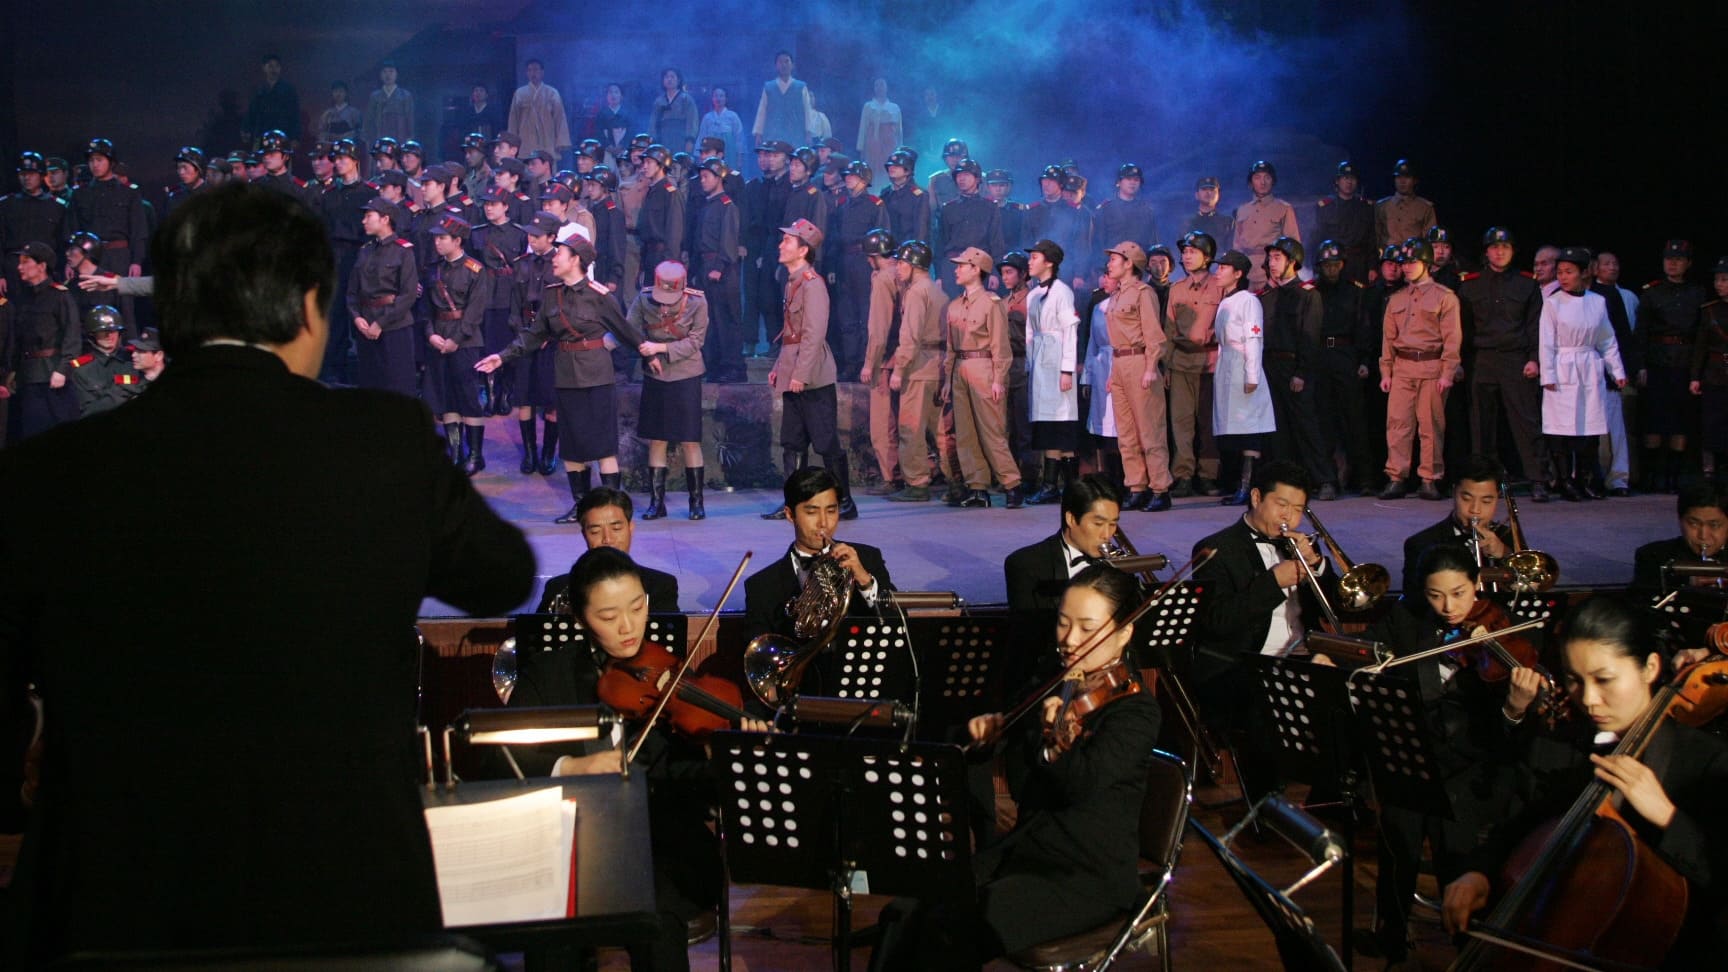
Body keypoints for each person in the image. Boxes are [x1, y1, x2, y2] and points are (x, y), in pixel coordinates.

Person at [0, 182, 534, 966]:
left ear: (169, 312)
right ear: (310, 307)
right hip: (343, 898)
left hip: (111, 904)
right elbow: (502, 574)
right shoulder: (382, 441)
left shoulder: (44, 472)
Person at [868, 566, 1160, 970]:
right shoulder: (1054, 681)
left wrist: (1056, 742)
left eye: (1087, 628)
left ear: (1124, 633)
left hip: (1084, 875)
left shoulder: (1136, 712)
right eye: (1063, 623)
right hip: (1025, 851)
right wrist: (985, 734)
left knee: (951, 929)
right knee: (903, 911)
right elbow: (1004, 744)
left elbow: (1079, 785)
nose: (1069, 639)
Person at [1440, 597, 1728, 970]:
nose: (1589, 700)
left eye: (1604, 679)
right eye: (1574, 680)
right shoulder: (1562, 745)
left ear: (1650, 668)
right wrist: (1478, 871)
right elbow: (1517, 826)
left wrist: (1667, 817)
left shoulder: (1708, 761)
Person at [510, 547, 761, 972]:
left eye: (637, 607)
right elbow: (501, 761)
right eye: (608, 616)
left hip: (657, 844)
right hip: (567, 842)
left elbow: (699, 790)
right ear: (580, 619)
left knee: (657, 918)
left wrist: (725, 756)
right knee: (553, 933)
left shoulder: (673, 676)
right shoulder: (548, 674)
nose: (628, 627)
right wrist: (570, 767)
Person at [1358, 543, 1536, 968]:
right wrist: (1343, 660)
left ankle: (1466, 952)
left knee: (1456, 862)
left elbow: (1512, 738)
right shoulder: (1405, 618)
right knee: (1398, 849)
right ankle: (1392, 938)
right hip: (1413, 754)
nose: (1449, 607)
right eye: (1436, 595)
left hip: (1469, 769)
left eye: (1459, 593)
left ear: (1477, 584)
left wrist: (1514, 708)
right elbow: (1365, 654)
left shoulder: (1503, 629)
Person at [1190, 459, 1337, 800]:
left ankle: (1330, 801)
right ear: (1256, 497)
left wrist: (1318, 566)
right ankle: (1266, 804)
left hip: (1301, 656)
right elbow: (1218, 621)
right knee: (1263, 703)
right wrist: (1272, 583)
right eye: (1282, 505)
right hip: (1241, 664)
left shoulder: (1300, 545)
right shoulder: (1216, 548)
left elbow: (1337, 607)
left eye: (1298, 509)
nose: (1290, 517)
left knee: (1354, 693)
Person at [477, 231, 647, 523]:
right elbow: (534, 335)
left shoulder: (599, 297)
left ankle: (613, 509)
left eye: (560, 254)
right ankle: (581, 507)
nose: (554, 258)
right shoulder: (552, 294)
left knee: (603, 447)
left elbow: (627, 332)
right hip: (566, 377)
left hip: (596, 377)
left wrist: (651, 356)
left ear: (576, 260)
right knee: (572, 447)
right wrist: (502, 357)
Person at [743, 466, 894, 695]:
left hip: (862, 691)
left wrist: (864, 580)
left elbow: (897, 623)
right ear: (790, 514)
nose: (824, 523)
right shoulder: (762, 586)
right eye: (812, 512)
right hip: (800, 697)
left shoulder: (868, 559)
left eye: (831, 511)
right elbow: (759, 662)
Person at [764, 219, 856, 520]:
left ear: (803, 250)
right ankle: (795, 503)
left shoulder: (812, 284)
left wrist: (800, 374)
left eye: (788, 241)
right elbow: (790, 332)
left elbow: (814, 334)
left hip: (813, 375)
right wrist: (780, 366)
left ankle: (844, 501)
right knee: (792, 441)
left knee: (825, 440)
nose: (781, 245)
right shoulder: (792, 281)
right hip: (794, 369)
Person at [1456, 226, 1549, 500]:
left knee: (1526, 421)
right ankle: (1484, 481)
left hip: (1515, 358)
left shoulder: (1527, 283)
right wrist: (1460, 362)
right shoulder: (1470, 284)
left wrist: (1534, 359)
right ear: (1486, 252)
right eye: (1495, 247)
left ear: (1513, 251)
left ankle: (1538, 479)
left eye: (1505, 247)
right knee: (1481, 424)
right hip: (1482, 358)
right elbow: (1462, 329)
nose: (1500, 252)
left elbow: (1535, 327)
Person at [1541, 246, 1627, 501]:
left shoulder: (1596, 302)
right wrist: (1548, 375)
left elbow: (1607, 339)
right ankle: (1564, 480)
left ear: (1583, 273)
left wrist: (1616, 370)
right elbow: (1546, 342)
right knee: (1562, 427)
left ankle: (1585, 478)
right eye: (1560, 272)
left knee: (1590, 426)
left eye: (1569, 272)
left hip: (1589, 367)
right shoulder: (1553, 303)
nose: (1563, 277)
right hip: (1563, 366)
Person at [1379, 237, 1462, 501]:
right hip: (1402, 368)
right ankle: (1396, 477)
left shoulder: (1444, 297)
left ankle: (1430, 478)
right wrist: (1386, 372)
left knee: (1430, 426)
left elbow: (1452, 338)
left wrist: (1448, 372)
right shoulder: (1396, 299)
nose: (1406, 267)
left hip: (1431, 367)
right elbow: (1388, 339)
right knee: (1397, 424)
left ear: (1425, 263)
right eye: (1404, 262)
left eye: (1412, 262)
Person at [944, 247, 1024, 509]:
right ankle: (977, 487)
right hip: (961, 368)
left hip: (984, 366)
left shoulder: (992, 303)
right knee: (966, 432)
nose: (956, 270)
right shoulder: (954, 305)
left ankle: (1012, 484)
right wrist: (947, 380)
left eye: (962, 265)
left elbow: (1001, 345)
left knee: (992, 430)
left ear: (976, 269)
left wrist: (999, 378)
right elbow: (950, 347)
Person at [629, 262, 710, 521]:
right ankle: (657, 502)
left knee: (690, 438)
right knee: (657, 438)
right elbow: (631, 330)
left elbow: (696, 341)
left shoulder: (697, 302)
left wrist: (661, 348)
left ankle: (696, 502)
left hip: (686, 374)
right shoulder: (643, 299)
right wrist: (647, 354)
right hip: (656, 375)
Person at [1258, 237, 1337, 499]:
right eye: (1270, 258)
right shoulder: (1267, 296)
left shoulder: (1307, 294)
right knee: (1277, 430)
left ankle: (1325, 479)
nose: (1271, 263)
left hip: (1295, 366)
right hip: (1270, 366)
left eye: (1277, 258)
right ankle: (1284, 483)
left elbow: (1310, 337)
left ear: (1292, 262)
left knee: (1307, 426)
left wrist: (1301, 372)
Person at [1102, 241, 1173, 512]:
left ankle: (1160, 488)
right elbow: (1115, 339)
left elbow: (1154, 334)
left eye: (1114, 259)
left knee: (1149, 430)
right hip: (1120, 362)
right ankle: (1136, 486)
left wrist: (1151, 367)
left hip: (1139, 361)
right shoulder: (1116, 295)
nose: (1109, 264)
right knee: (1126, 433)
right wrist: (1112, 373)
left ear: (1129, 263)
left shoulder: (1144, 293)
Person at [535, 488, 681, 613]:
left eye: (616, 528)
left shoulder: (660, 586)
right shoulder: (558, 588)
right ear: (584, 535)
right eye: (595, 531)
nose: (608, 539)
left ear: (630, 528)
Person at [423, 215, 493, 474]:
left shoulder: (475, 269)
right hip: (438, 336)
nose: (437, 242)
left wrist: (456, 339)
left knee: (468, 396)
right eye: (436, 238)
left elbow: (475, 312)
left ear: (457, 240)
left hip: (465, 340)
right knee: (445, 395)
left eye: (442, 238)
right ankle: (455, 453)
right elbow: (426, 308)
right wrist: (431, 334)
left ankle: (475, 454)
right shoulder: (433, 269)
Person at [1639, 240, 1709, 492]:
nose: (1672, 264)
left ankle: (1673, 477)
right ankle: (1651, 477)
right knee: (1654, 421)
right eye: (1669, 259)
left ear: (1688, 263)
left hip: (1684, 363)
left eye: (1678, 260)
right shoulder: (1652, 293)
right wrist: (1641, 366)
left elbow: (1702, 334)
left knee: (1680, 422)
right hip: (1657, 362)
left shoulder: (1698, 294)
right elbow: (1642, 332)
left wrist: (1697, 371)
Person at [1004, 474, 1125, 614]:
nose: (1107, 534)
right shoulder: (1025, 565)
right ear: (1071, 519)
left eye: (1113, 524)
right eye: (1098, 524)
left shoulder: (1120, 563)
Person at [1399, 455, 1517, 594]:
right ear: (1454, 493)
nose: (1475, 510)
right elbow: (1414, 600)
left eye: (1486, 501)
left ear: (1497, 497)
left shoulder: (1508, 538)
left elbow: (1531, 588)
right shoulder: (1421, 544)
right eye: (1466, 498)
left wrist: (1505, 554)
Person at [1312, 240, 1376, 494]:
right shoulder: (1312, 291)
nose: (1331, 269)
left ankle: (1365, 479)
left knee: (1355, 420)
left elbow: (1364, 327)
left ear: (1343, 265)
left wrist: (1364, 360)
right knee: (1323, 421)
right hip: (1319, 356)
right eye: (1327, 265)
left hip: (1346, 354)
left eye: (1336, 264)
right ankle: (1328, 479)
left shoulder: (1355, 291)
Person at [1212, 250, 1275, 505]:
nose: (1218, 272)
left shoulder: (1248, 301)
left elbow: (1253, 338)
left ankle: (1248, 487)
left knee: (1249, 426)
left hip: (1242, 365)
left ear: (1238, 273)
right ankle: (1235, 482)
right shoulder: (1225, 301)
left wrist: (1252, 375)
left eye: (1223, 268)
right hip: (1227, 365)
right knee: (1233, 428)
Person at [1165, 231, 1224, 498]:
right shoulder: (1176, 288)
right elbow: (1168, 330)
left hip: (1210, 363)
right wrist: (1167, 365)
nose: (1186, 256)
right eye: (1185, 252)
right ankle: (1183, 475)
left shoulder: (1220, 286)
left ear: (1207, 256)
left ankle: (1208, 475)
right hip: (1180, 363)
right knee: (1181, 423)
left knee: (1208, 422)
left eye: (1193, 251)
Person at [1023, 239, 1083, 505]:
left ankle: (1062, 486)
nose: (1030, 262)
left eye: (1034, 257)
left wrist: (1067, 369)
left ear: (1049, 262)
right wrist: (1030, 364)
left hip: (1057, 360)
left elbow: (1070, 332)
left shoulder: (1062, 291)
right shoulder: (1033, 294)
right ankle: (1053, 485)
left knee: (1061, 421)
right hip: (1040, 363)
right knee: (1046, 422)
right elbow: (1029, 332)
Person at [6, 241, 82, 439]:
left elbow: (72, 335)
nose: (19, 267)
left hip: (53, 375)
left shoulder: (59, 296)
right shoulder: (23, 298)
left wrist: (63, 369)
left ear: (41, 266)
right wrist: (13, 370)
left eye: (25, 262)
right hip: (29, 376)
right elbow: (19, 338)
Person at [346, 197, 418, 398]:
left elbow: (408, 294)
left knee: (398, 386)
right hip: (365, 324)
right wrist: (357, 317)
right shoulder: (365, 250)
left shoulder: (403, 251)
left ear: (385, 219)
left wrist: (380, 323)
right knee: (370, 384)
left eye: (369, 216)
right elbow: (352, 292)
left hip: (394, 326)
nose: (364, 221)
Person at [859, 229, 904, 493]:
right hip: (906, 355)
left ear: (875, 256)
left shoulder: (883, 279)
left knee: (882, 422)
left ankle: (890, 476)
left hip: (886, 359)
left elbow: (879, 326)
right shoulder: (905, 272)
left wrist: (870, 362)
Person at [1630, 483, 1728, 595]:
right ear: (1680, 521)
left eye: (1714, 525)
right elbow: (1638, 600)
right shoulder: (1652, 556)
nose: (1703, 536)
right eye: (1693, 523)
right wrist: (1686, 583)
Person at [1, 152, 69, 300]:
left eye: (31, 174)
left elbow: (62, 242)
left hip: (44, 270)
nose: (26, 178)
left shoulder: (57, 206)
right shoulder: (7, 205)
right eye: (23, 174)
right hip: (13, 269)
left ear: (42, 175)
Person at [1231, 161, 1299, 292]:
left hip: (1272, 272)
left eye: (1267, 177)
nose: (1262, 182)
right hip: (1246, 273)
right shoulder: (1242, 210)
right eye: (1257, 177)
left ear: (1273, 181)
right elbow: (1237, 245)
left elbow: (1293, 245)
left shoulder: (1284, 208)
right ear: (1251, 182)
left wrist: (1286, 273)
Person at [65, 305, 139, 417]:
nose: (109, 335)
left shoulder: (135, 359)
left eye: (113, 330)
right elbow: (88, 411)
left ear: (119, 333)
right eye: (103, 331)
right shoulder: (82, 370)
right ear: (92, 334)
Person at [1312, 162, 1374, 285]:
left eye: (1353, 178)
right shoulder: (1326, 207)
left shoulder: (1366, 207)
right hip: (1332, 263)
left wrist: (1373, 266)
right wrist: (1316, 267)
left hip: (1358, 263)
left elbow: (1371, 239)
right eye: (1345, 178)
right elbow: (1317, 239)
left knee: (1358, 295)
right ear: (1337, 181)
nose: (1349, 182)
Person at [507, 59, 571, 163]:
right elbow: (513, 120)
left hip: (547, 141)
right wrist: (512, 143)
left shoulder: (552, 93)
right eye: (530, 70)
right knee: (527, 168)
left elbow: (560, 118)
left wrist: (560, 142)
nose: (533, 73)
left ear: (542, 72)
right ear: (526, 73)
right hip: (526, 142)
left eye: (536, 70)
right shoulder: (520, 93)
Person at [753, 51, 814, 151]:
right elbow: (762, 111)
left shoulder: (801, 87)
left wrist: (809, 132)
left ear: (792, 65)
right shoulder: (769, 87)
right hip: (773, 133)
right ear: (776, 65)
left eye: (786, 61)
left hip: (795, 133)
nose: (784, 65)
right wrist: (758, 134)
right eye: (780, 62)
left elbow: (807, 111)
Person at [1374, 159, 1437, 250]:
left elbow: (1430, 240)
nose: (1402, 181)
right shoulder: (1381, 206)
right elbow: (1376, 236)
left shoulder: (1425, 208)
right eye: (1398, 177)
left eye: (1407, 177)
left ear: (1414, 180)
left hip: (1414, 256)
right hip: (1387, 256)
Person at [243, 54, 299, 148]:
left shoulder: (288, 90)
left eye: (276, 66)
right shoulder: (258, 90)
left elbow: (295, 114)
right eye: (270, 66)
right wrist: (246, 130)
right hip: (261, 134)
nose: (274, 69)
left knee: (282, 157)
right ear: (264, 68)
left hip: (283, 135)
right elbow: (251, 113)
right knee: (258, 157)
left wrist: (295, 138)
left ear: (280, 68)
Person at [361, 61, 414, 149]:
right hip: (379, 135)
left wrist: (410, 136)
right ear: (380, 75)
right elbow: (369, 118)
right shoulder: (375, 96)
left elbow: (410, 118)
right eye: (384, 72)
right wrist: (366, 136)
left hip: (400, 135)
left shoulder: (405, 95)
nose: (388, 75)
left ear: (396, 74)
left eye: (391, 71)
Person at [856, 78, 901, 175]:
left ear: (886, 87)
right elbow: (863, 128)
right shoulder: (868, 106)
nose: (879, 88)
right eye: (877, 85)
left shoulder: (894, 107)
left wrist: (900, 148)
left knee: (888, 168)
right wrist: (861, 148)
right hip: (872, 142)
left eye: (882, 85)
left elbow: (899, 131)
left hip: (889, 143)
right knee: (872, 169)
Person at [1179, 175, 1233, 246]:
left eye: (1212, 189)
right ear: (1197, 195)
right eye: (1204, 189)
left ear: (1218, 195)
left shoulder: (1228, 222)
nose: (1208, 192)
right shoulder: (1187, 223)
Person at [697, 86, 744, 164]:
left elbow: (739, 138)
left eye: (721, 96)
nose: (718, 98)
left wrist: (739, 156)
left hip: (729, 151)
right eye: (715, 96)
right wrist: (700, 155)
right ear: (712, 98)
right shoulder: (707, 117)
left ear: (726, 98)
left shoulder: (733, 116)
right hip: (711, 151)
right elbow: (702, 136)